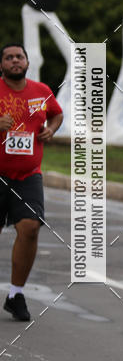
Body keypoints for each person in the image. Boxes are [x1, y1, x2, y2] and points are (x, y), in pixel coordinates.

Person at [0, 44, 63, 321]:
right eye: (9, 57)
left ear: (27, 62)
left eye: (19, 56)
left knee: (30, 227)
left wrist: (52, 129)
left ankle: (16, 294)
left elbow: (57, 113)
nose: (15, 61)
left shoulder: (41, 91)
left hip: (28, 174)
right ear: (1, 64)